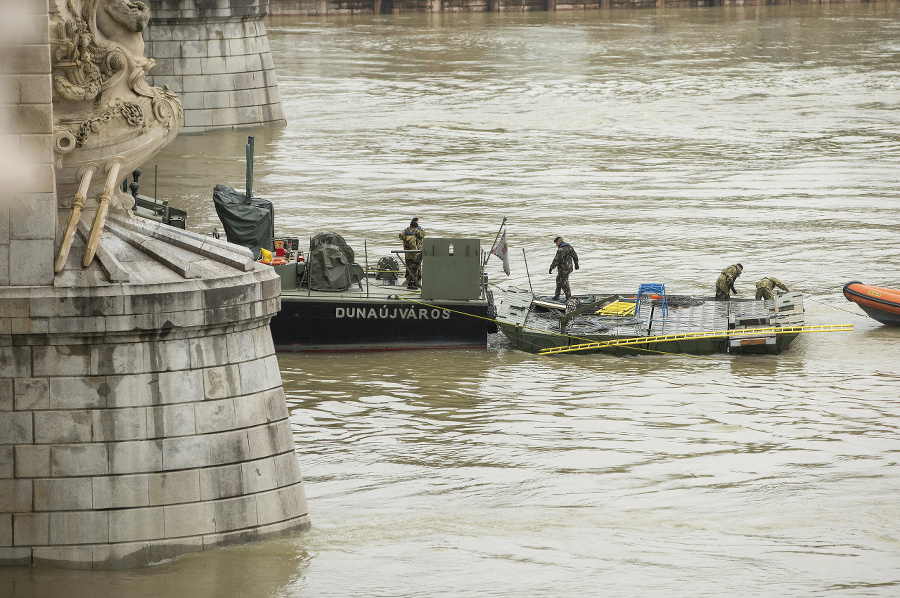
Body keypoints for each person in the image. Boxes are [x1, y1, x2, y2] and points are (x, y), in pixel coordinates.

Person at [548, 236, 579, 301]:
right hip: (569, 267)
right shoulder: (569, 246)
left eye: (556, 243)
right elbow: (575, 255)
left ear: (559, 242)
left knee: (564, 282)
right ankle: (557, 295)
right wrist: (576, 264)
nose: (556, 245)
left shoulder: (561, 250)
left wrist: (551, 267)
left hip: (563, 269)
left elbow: (556, 260)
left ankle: (569, 297)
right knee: (558, 280)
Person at [399, 217, 426, 290]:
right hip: (413, 254)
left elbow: (422, 235)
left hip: (412, 253)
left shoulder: (416, 231)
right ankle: (411, 282)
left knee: (414, 268)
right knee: (413, 268)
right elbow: (413, 247)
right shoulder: (410, 235)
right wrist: (417, 257)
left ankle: (414, 281)